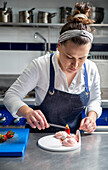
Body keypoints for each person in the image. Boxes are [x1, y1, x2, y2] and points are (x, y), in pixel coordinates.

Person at [3, 2, 102, 133]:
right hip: (39, 138)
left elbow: (95, 99)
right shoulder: (40, 66)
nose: (76, 65)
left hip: (72, 139)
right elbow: (11, 96)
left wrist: (91, 117)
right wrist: (27, 112)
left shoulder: (91, 69)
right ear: (59, 46)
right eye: (69, 57)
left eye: (82, 58)